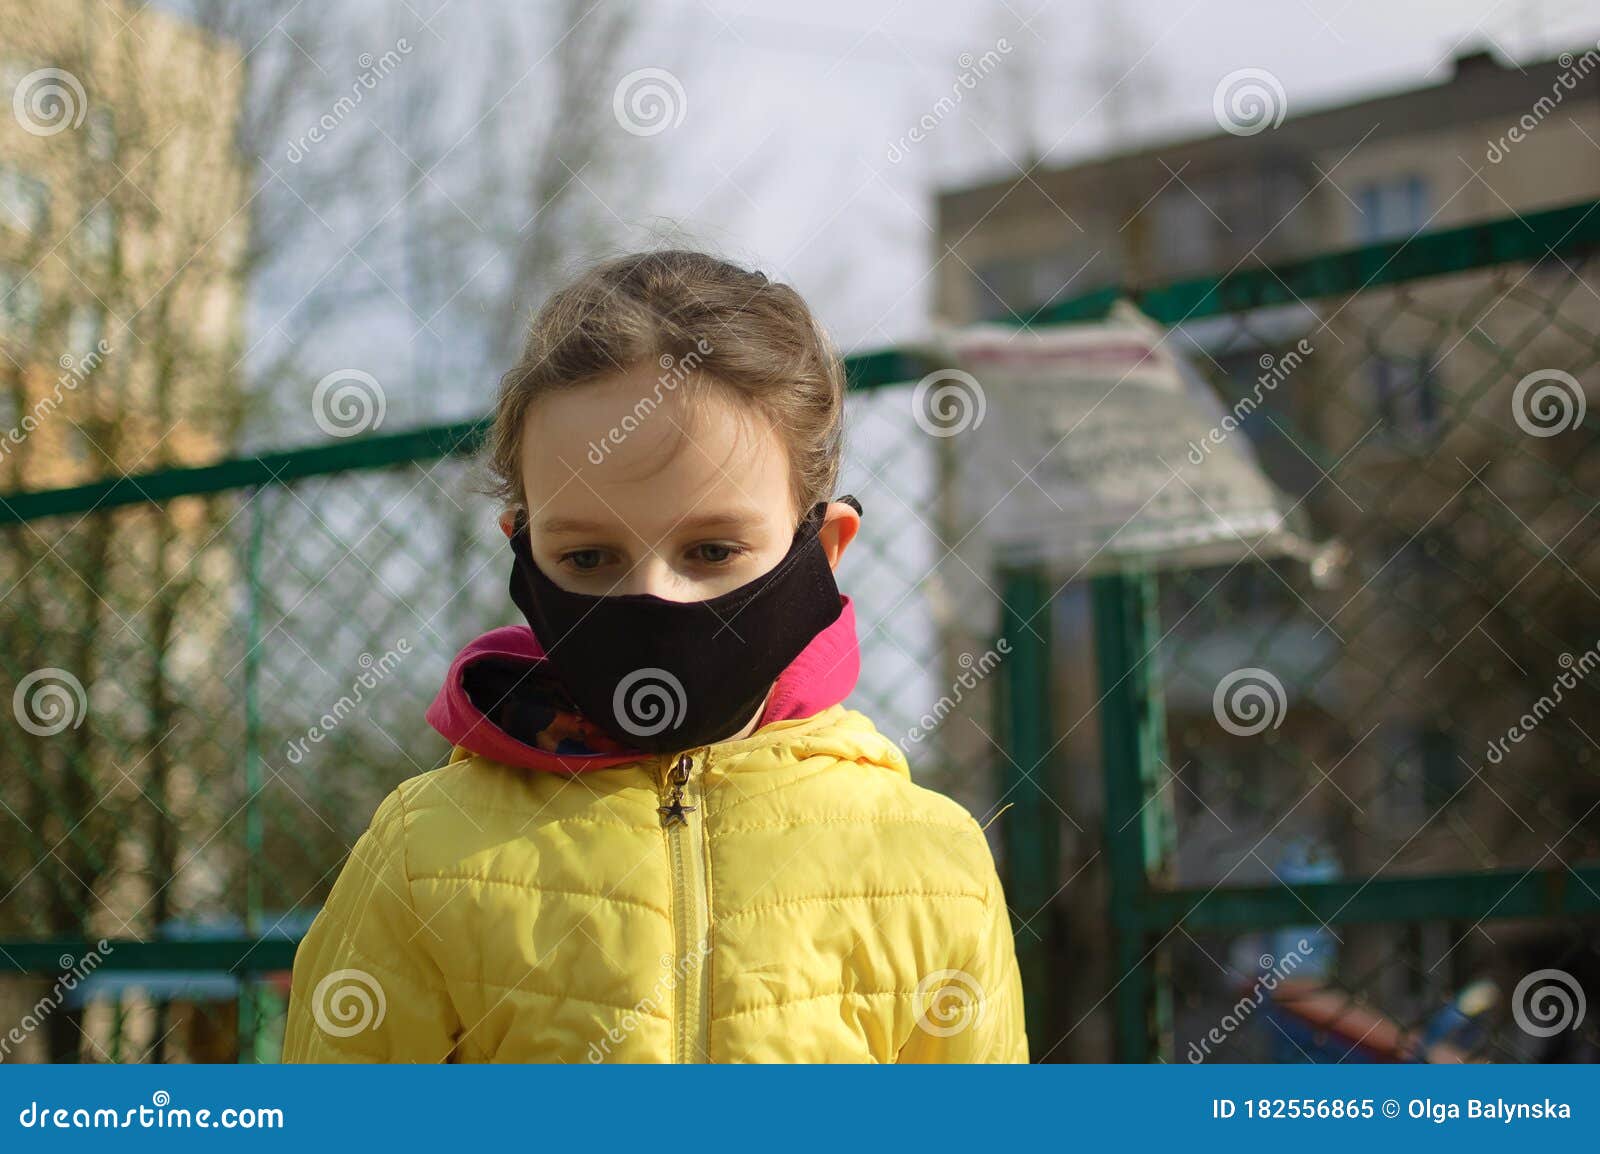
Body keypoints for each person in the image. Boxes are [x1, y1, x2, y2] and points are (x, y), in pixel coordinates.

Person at [282, 250, 1027, 1063]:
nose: (657, 600)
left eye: (711, 550)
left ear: (827, 549)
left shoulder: (924, 863)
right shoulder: (425, 853)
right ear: (524, 556)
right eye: (589, 559)